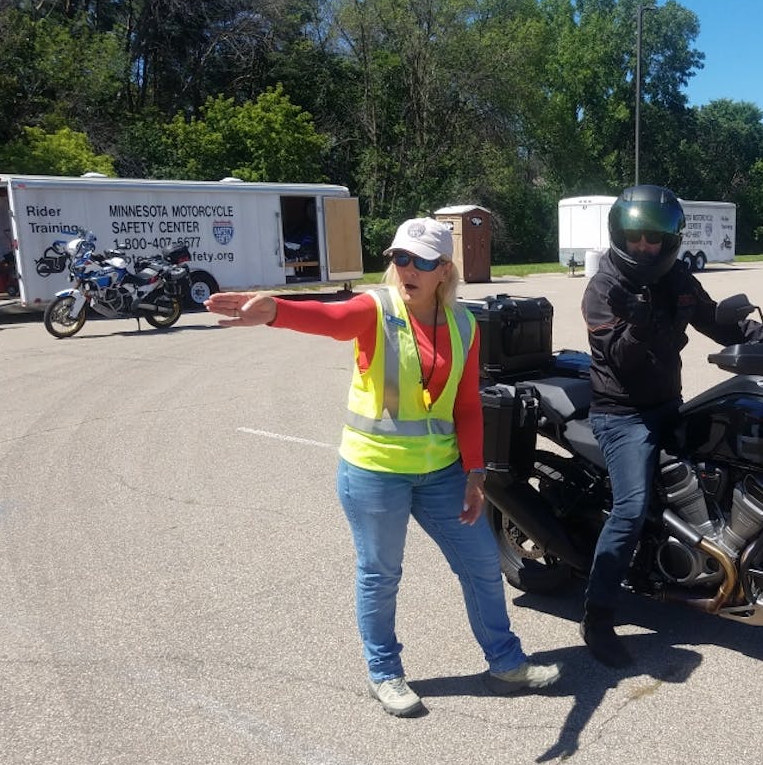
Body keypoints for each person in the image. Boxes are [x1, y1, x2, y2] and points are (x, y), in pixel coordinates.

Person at [206, 217, 561, 716]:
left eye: (421, 261)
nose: (407, 269)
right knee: (381, 573)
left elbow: (465, 406)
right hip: (374, 473)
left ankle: (505, 663)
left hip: (441, 473)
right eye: (399, 258)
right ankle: (384, 672)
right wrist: (274, 310)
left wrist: (476, 472)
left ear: (444, 269)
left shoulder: (463, 324)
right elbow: (330, 320)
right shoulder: (376, 308)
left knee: (482, 563)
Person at [579, 185, 763, 667]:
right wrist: (638, 322)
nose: (646, 246)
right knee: (631, 508)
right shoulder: (604, 288)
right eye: (637, 237)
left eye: (655, 239)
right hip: (621, 414)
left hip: (668, 402)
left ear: (671, 241)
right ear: (622, 234)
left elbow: (715, 322)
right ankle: (597, 616)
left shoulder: (679, 278)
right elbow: (620, 360)